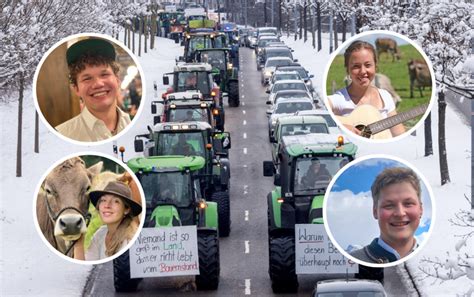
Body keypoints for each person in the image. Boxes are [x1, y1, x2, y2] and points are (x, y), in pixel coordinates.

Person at [55, 38, 131, 142]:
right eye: (87, 78)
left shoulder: (136, 123)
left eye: (104, 74)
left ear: (117, 80)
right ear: (76, 89)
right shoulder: (62, 134)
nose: (98, 84)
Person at [327, 40, 405, 137]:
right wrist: (344, 126)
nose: (363, 71)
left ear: (375, 67)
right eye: (356, 66)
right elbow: (319, 113)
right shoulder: (340, 99)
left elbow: (399, 133)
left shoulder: (385, 96)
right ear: (348, 70)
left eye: (368, 65)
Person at [350, 167, 423, 263]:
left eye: (408, 203)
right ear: (375, 211)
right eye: (389, 206)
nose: (400, 213)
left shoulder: (436, 261)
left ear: (421, 209)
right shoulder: (350, 263)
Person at [74, 181, 142, 260]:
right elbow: (87, 265)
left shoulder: (130, 240)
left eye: (116, 201)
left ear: (126, 209)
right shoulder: (100, 234)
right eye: (103, 200)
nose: (107, 205)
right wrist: (79, 242)